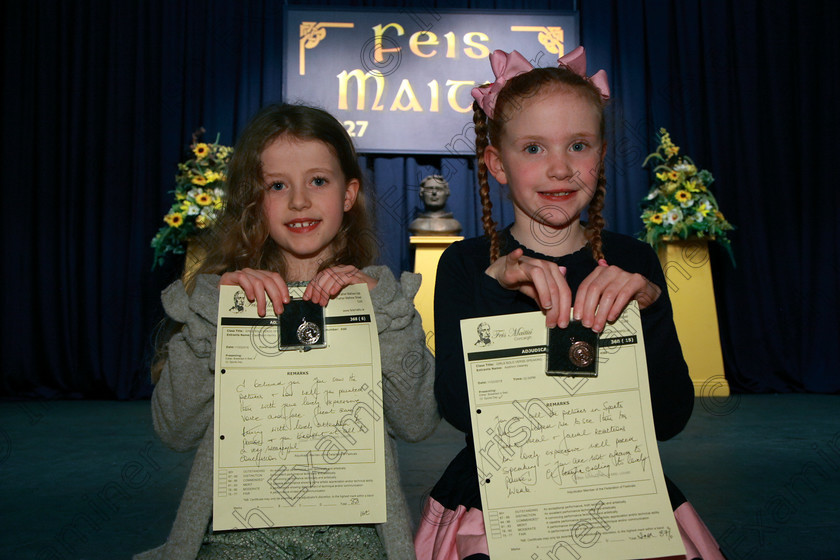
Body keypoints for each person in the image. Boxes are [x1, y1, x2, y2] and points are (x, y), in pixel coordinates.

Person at [415, 48, 725, 560]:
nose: (559, 168)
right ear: (497, 164)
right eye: (533, 148)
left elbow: (669, 419)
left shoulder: (632, 259)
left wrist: (650, 310)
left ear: (600, 156)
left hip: (620, 487)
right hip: (497, 499)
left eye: (578, 145)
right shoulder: (466, 266)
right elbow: (458, 409)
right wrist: (495, 290)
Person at [136, 103, 438, 560]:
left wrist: (384, 312)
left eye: (318, 180)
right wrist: (216, 315)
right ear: (255, 199)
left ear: (349, 193)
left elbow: (417, 422)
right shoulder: (225, 299)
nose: (299, 201)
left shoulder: (380, 298)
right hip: (233, 544)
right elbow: (175, 430)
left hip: (355, 545)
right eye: (277, 185)